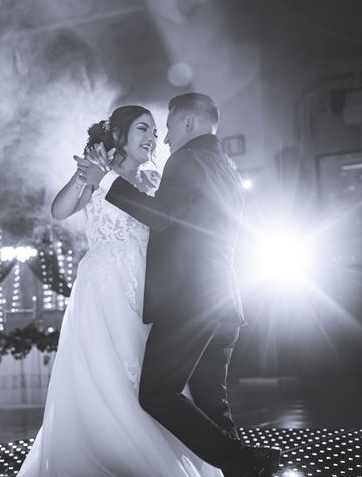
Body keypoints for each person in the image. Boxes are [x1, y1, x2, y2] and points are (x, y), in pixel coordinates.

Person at [17, 105, 220, 477]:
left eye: (157, 132)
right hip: (102, 285)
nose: (153, 138)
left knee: (151, 375)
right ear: (121, 134)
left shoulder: (155, 178)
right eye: (144, 129)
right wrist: (84, 176)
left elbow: (166, 224)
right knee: (104, 369)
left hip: (148, 286)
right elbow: (59, 211)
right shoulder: (95, 175)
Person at [89, 93, 280, 477]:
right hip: (222, 299)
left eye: (170, 127)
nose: (164, 140)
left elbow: (160, 217)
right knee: (212, 405)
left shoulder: (187, 158)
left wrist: (106, 180)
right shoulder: (224, 164)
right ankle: (245, 470)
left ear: (189, 123)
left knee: (157, 393)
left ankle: (244, 461)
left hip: (191, 300)